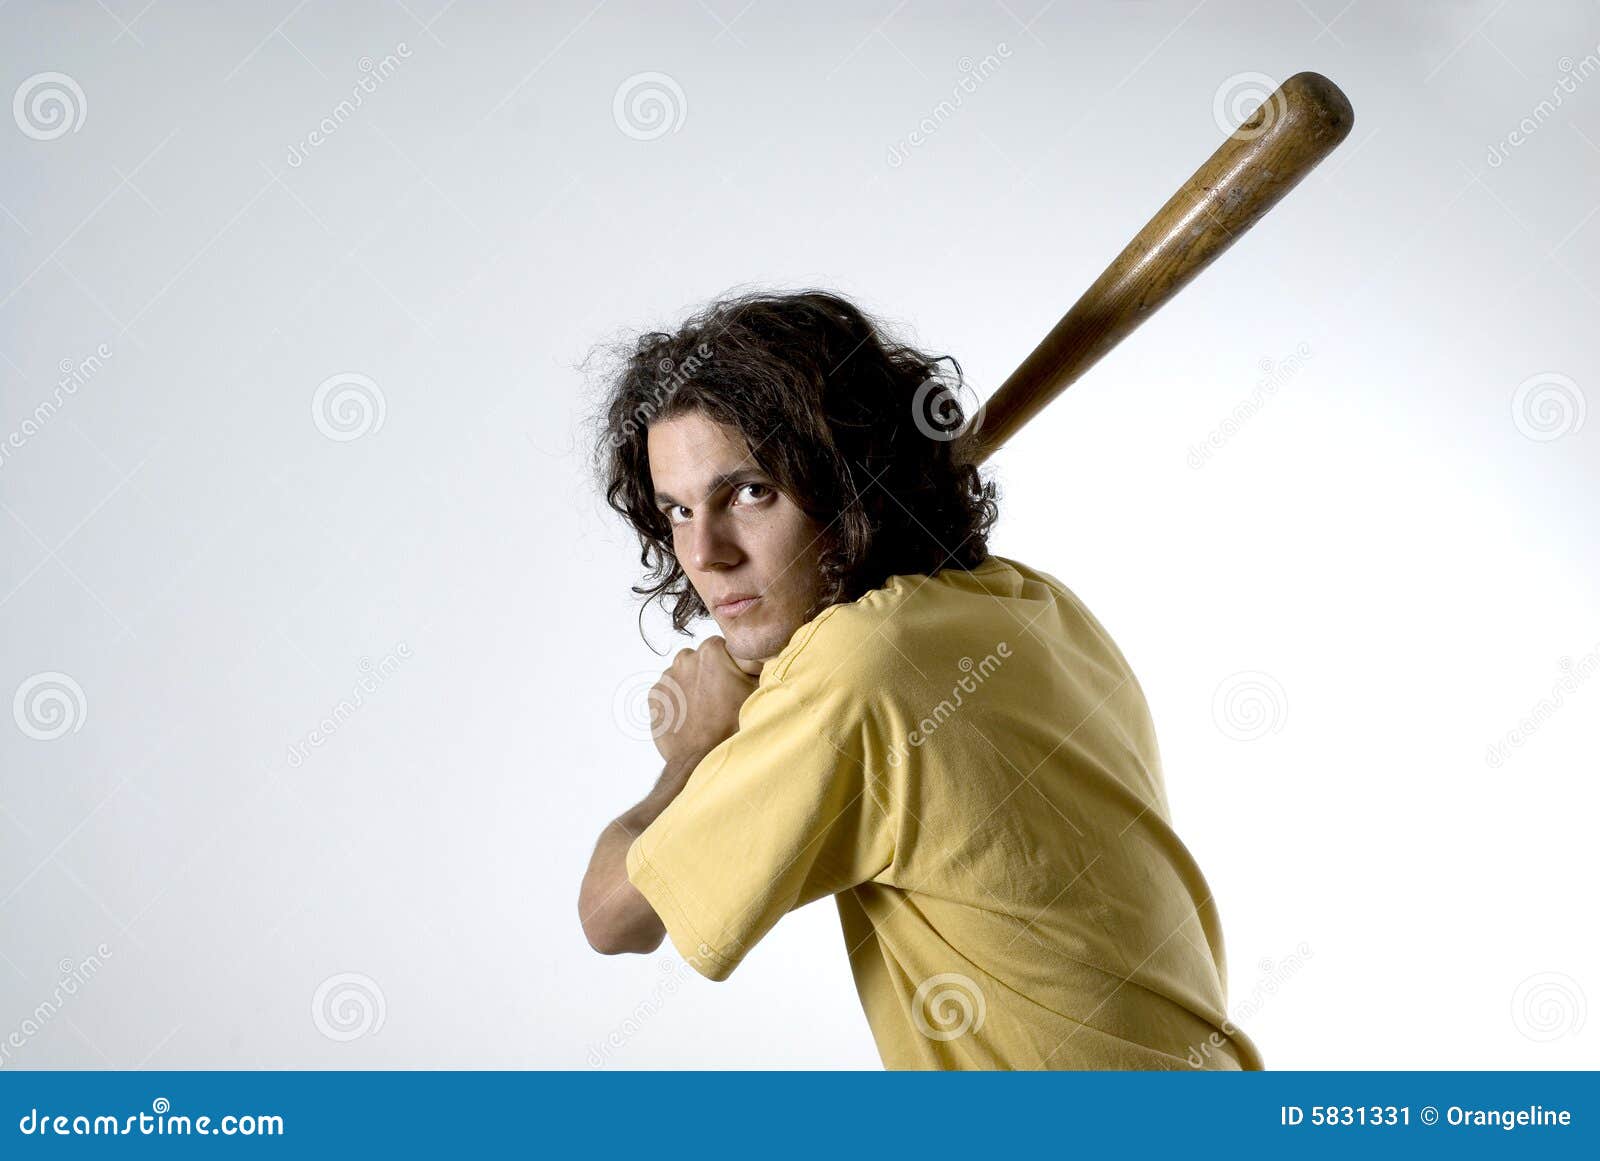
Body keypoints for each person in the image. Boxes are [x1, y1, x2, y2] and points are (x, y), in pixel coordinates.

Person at [576, 288, 1263, 1070]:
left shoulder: (858, 667)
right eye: (677, 511)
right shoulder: (1030, 604)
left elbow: (612, 915)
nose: (706, 554)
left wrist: (692, 750)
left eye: (751, 491)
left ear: (850, 481)